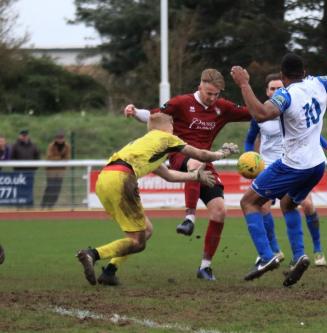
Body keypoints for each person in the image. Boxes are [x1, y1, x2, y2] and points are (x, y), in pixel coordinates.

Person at [231, 49, 327, 287]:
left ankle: (268, 257)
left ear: (282, 75)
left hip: (293, 164)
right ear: (304, 72)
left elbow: (260, 113)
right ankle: (300, 256)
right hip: (317, 164)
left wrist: (244, 84)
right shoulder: (318, 83)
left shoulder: (286, 95)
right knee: (289, 204)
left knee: (248, 202)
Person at [76, 113, 239, 286]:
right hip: (122, 178)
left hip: (104, 180)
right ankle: (93, 254)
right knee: (138, 242)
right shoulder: (167, 138)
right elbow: (201, 154)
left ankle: (110, 272)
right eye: (172, 124)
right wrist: (221, 153)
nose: (174, 129)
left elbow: (168, 175)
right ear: (167, 126)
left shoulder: (146, 144)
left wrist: (195, 177)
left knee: (146, 231)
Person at [124, 68, 251, 280]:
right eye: (208, 93)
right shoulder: (181, 103)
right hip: (180, 157)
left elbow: (253, 112)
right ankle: (189, 218)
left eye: (216, 94)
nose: (212, 98)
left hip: (205, 160)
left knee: (220, 211)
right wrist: (135, 111)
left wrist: (276, 106)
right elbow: (155, 116)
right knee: (195, 163)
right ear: (200, 85)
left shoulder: (222, 108)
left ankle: (205, 267)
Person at [243, 73, 327, 267]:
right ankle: (275, 251)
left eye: (279, 87)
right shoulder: (262, 115)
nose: (276, 91)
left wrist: (326, 146)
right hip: (269, 166)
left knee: (307, 205)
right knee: (261, 205)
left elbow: (309, 132)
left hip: (293, 164)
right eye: (272, 88)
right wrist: (250, 158)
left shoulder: (292, 103)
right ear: (266, 91)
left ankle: (318, 250)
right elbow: (249, 139)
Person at [41, 131, 71, 208]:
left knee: (57, 189)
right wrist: (60, 158)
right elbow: (49, 157)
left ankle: (51, 205)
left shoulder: (67, 146)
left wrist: (58, 158)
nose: (60, 140)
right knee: (50, 188)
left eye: (61, 138)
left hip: (60, 172)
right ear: (55, 139)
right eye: (59, 138)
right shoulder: (51, 146)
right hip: (51, 171)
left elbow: (67, 157)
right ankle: (43, 204)